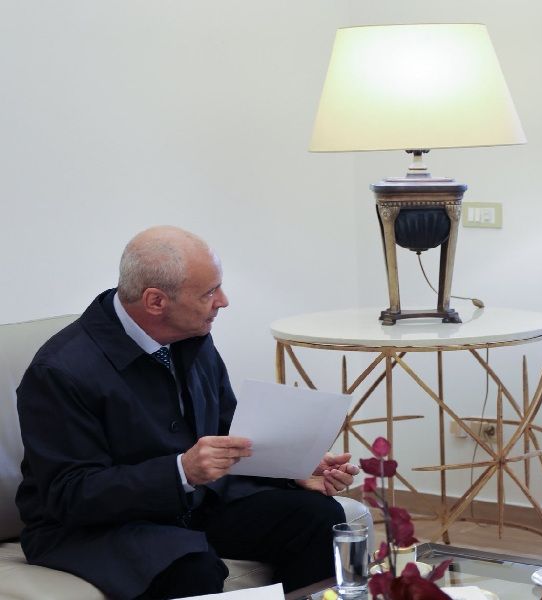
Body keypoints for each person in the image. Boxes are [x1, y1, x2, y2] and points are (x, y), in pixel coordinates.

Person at [16, 226, 359, 599]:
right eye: (209, 292)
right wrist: (181, 471)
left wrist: (293, 467)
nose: (223, 301)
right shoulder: (59, 371)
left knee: (319, 518)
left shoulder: (191, 336)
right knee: (190, 568)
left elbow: (228, 430)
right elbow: (70, 494)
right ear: (156, 302)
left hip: (190, 503)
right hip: (90, 526)